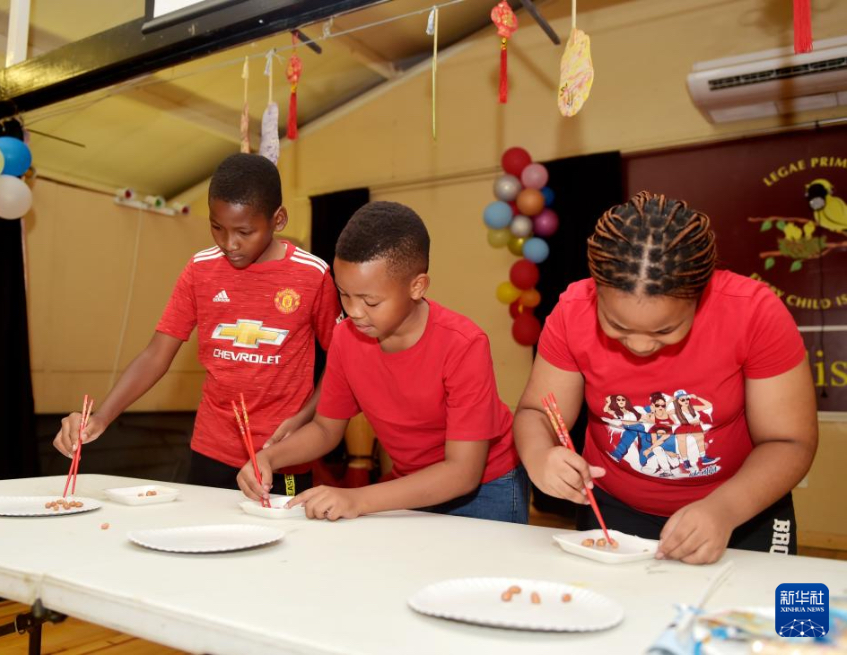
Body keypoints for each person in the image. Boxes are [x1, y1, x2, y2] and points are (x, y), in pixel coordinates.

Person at [514, 191, 817, 564]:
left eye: (665, 330)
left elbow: (788, 442)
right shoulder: (572, 312)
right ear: (597, 291)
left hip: (743, 511)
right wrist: (540, 455)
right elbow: (536, 412)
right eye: (618, 326)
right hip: (613, 513)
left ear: (700, 294)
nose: (640, 345)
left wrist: (724, 509)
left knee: (782, 621)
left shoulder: (754, 313)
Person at [53, 154, 342, 494]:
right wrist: (102, 416)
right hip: (211, 450)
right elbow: (156, 354)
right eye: (217, 227)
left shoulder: (312, 275)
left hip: (285, 458)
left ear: (277, 219)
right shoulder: (200, 270)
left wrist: (306, 416)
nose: (229, 243)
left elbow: (341, 362)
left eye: (244, 232)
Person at [239, 201, 526, 523]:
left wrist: (357, 498)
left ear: (417, 286)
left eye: (370, 300)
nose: (354, 311)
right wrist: (268, 458)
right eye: (344, 295)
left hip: (487, 486)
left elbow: (462, 473)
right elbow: (324, 429)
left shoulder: (463, 344)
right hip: (410, 484)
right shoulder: (347, 339)